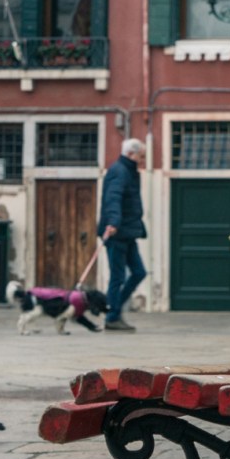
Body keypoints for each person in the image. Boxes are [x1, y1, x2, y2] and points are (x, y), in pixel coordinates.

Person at [98, 138, 148, 332]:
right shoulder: (119, 171)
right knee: (117, 277)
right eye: (141, 156)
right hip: (117, 232)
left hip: (128, 232)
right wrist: (112, 223)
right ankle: (112, 316)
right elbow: (113, 198)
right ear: (130, 154)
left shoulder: (128, 171)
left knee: (139, 272)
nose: (142, 160)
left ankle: (114, 308)